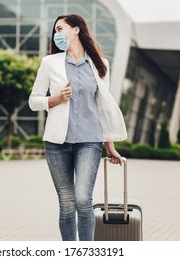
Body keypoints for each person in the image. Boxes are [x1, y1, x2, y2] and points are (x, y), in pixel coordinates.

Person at [28, 14, 127, 241]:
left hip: (89, 141)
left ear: (76, 30)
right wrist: (56, 99)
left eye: (61, 28)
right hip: (57, 143)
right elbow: (34, 101)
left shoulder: (100, 64)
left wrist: (109, 146)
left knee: (83, 199)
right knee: (66, 203)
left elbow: (104, 107)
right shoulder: (49, 62)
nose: (57, 34)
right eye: (55, 30)